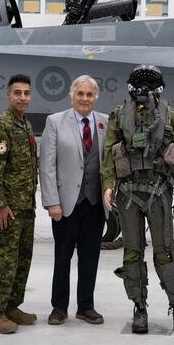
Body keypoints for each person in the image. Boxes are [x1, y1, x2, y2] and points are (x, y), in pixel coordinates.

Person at [101, 65, 174, 335]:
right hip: (128, 193)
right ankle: (139, 306)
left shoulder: (170, 116)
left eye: (149, 86)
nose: (144, 91)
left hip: (158, 191)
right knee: (132, 252)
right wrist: (108, 185)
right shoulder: (118, 116)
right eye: (140, 85)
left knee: (164, 252)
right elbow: (108, 153)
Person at [39, 76, 107, 326]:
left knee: (90, 257)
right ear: (71, 95)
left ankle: (86, 306)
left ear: (95, 98)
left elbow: (107, 165)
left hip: (95, 203)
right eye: (80, 94)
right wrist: (51, 202)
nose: (85, 99)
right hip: (66, 204)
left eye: (89, 95)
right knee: (62, 257)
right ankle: (59, 307)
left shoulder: (104, 123)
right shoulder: (55, 122)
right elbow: (46, 165)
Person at [0, 74, 40, 334]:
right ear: (8, 95)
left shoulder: (25, 125)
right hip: (7, 209)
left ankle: (11, 306)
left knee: (20, 259)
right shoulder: (3, 125)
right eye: (18, 93)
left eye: (26, 93)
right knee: (2, 260)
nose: (23, 98)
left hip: (25, 207)